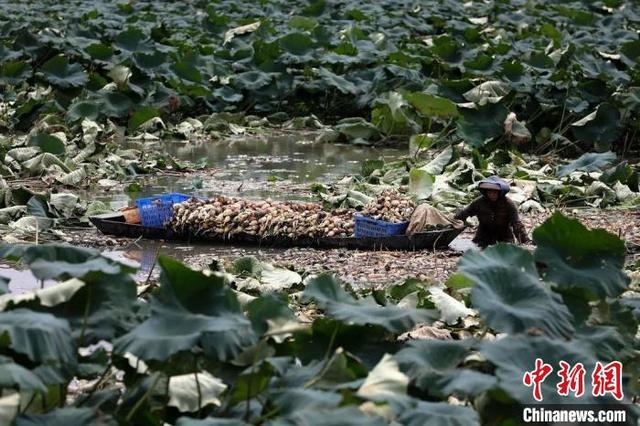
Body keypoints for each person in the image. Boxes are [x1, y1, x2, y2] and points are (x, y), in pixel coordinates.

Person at [454, 176, 529, 249]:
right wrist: (454, 221)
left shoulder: (508, 204)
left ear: (499, 192)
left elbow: (517, 224)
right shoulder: (479, 202)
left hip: (504, 237)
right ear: (486, 192)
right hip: (483, 236)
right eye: (489, 192)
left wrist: (525, 241)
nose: (492, 194)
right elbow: (464, 214)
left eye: (495, 192)